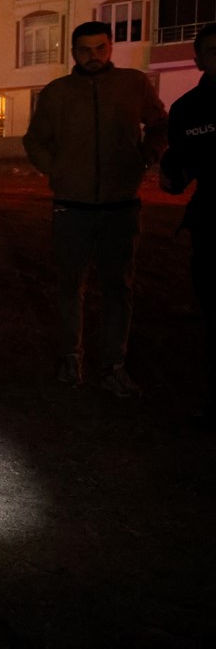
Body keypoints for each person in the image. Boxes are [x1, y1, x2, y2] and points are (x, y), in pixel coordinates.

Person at [23, 21, 168, 396]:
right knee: (71, 286)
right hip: (72, 207)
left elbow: (159, 125)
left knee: (118, 287)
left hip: (121, 205)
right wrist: (57, 170)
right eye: (85, 50)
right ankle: (71, 358)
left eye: (100, 48)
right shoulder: (57, 93)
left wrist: (146, 157)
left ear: (110, 48)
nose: (93, 56)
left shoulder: (133, 84)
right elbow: (35, 140)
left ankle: (113, 366)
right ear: (73, 53)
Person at [158, 23, 216, 426]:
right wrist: (168, 173)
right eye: (211, 51)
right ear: (198, 60)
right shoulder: (188, 110)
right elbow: (177, 174)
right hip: (211, 227)